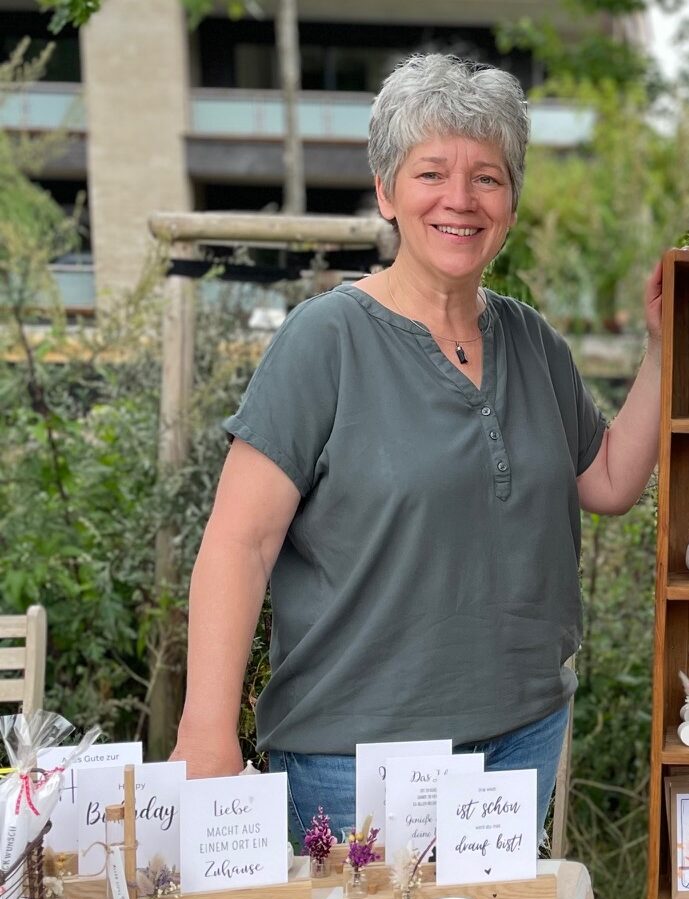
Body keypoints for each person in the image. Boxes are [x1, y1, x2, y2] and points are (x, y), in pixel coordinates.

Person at [170, 53, 662, 841]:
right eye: (432, 173)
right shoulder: (324, 341)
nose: (460, 201)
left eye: (488, 178)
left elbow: (605, 481)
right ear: (386, 190)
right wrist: (205, 732)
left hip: (521, 734)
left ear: (511, 201)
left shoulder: (533, 341)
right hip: (354, 758)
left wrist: (663, 352)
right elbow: (240, 542)